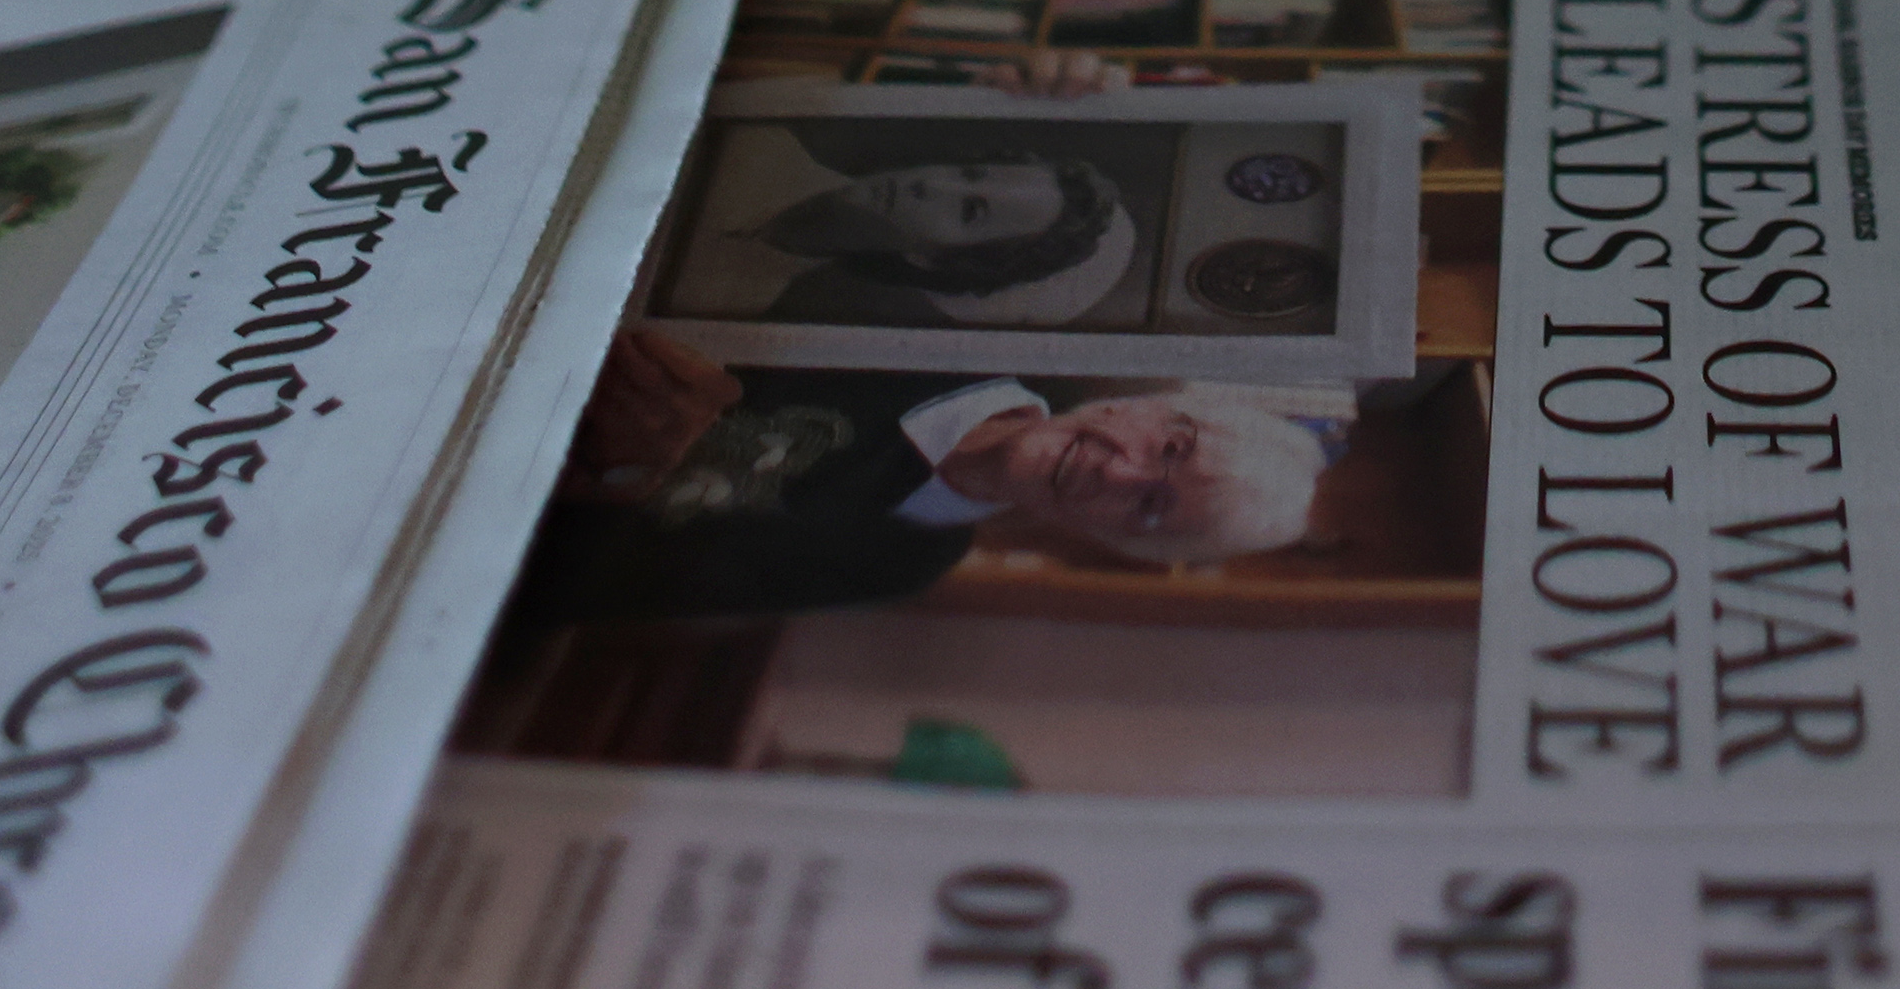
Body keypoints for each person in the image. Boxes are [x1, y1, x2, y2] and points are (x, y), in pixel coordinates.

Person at [526, 327, 1341, 623]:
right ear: (1144, 401)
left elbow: (567, 591)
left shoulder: (900, 559)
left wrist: (624, 471)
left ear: (1110, 540)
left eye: (1151, 508)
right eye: (1171, 444)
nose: (1117, 470)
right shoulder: (976, 327)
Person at [666, 123, 1144, 332]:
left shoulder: (733, 306)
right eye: (966, 174)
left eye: (969, 212)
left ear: (933, 257)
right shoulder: (756, 142)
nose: (930, 184)